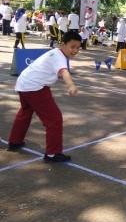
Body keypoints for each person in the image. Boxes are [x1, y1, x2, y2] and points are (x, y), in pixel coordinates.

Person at [6, 32, 82, 162]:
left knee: (25, 112)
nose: (75, 50)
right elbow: (64, 71)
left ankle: (14, 142)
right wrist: (71, 85)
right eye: (72, 46)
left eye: (78, 47)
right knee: (54, 118)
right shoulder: (59, 57)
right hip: (35, 87)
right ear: (62, 44)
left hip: (24, 83)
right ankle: (52, 154)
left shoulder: (56, 53)